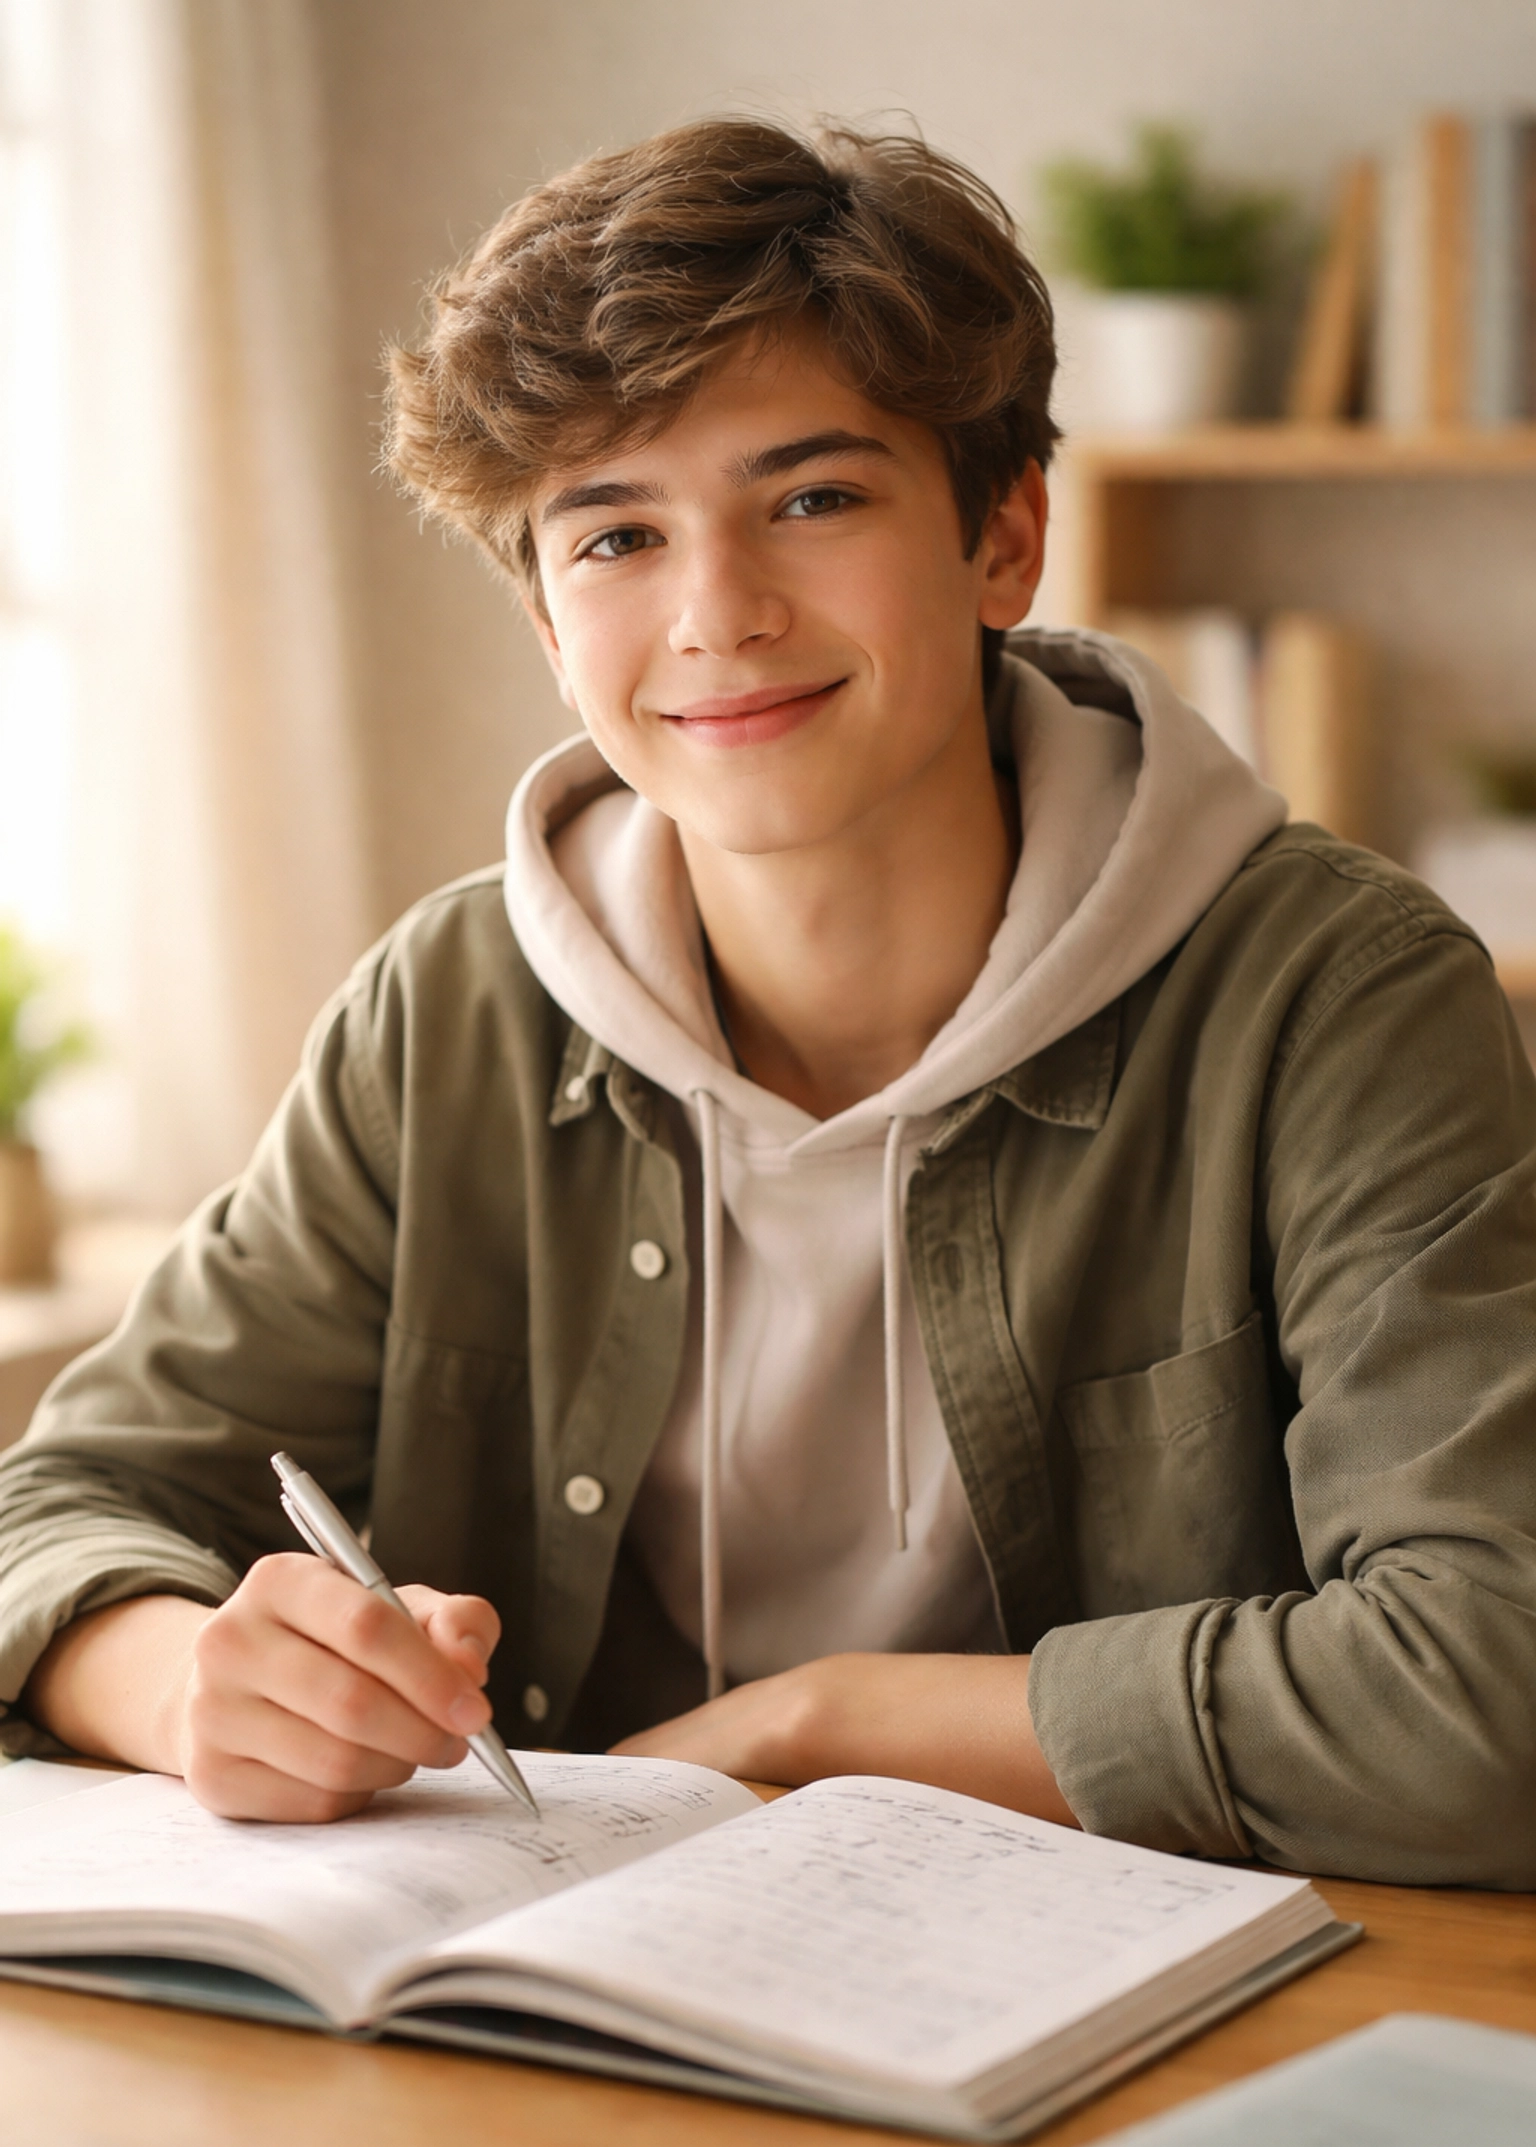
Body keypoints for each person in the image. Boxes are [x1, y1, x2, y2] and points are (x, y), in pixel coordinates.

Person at [4, 119, 1534, 1885]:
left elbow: (1487, 1690)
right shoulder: (448, 1013)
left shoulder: (1337, 997)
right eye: (615, 537)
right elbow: (54, 1509)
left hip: (1147, 1992)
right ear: (547, 623)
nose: (715, 614)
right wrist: (193, 1683)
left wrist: (812, 1728)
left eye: (813, 500)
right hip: (574, 1985)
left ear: (1003, 539)